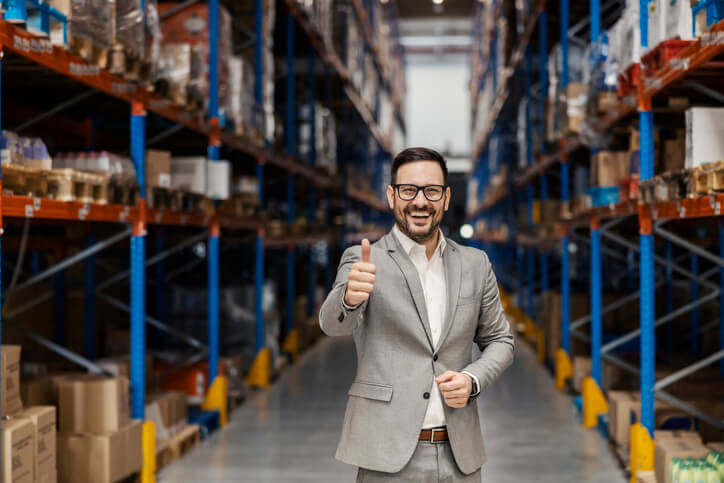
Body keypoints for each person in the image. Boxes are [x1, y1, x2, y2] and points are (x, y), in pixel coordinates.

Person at [319, 147, 515, 482]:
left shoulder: (475, 264)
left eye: (431, 191)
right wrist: (350, 298)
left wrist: (473, 379)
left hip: (460, 457)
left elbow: (501, 340)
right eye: (408, 190)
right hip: (386, 455)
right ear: (392, 196)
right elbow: (331, 324)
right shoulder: (364, 259)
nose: (420, 202)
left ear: (446, 197)